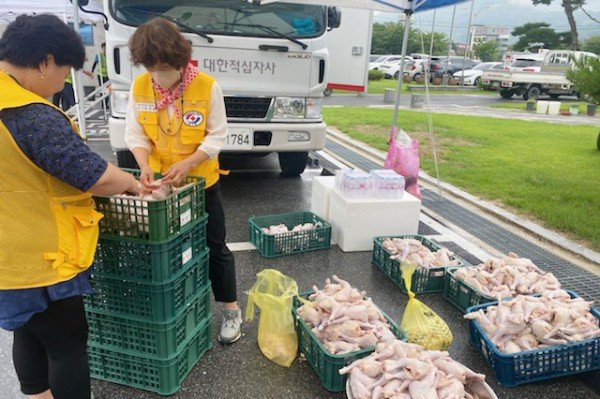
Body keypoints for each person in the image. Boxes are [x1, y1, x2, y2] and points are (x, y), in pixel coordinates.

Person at [0, 14, 142, 399]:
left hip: (7, 261)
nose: (60, 85)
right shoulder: (31, 114)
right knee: (66, 345)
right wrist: (130, 181)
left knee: (28, 330)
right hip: (42, 256)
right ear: (45, 61)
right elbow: (92, 174)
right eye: (62, 74)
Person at [126, 18, 242, 344]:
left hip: (201, 183)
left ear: (180, 59)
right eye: (152, 68)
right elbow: (135, 132)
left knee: (214, 245)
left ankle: (231, 310)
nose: (159, 75)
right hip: (161, 185)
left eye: (165, 67)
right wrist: (143, 165)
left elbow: (217, 135)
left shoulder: (206, 86)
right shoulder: (140, 87)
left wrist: (190, 162)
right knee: (168, 251)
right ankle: (179, 311)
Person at [91, 42, 109, 109]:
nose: (105, 49)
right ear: (102, 48)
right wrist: (92, 72)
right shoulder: (99, 55)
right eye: (104, 48)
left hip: (108, 75)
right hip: (100, 75)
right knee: (102, 89)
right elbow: (95, 63)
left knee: (107, 90)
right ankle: (103, 104)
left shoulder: (109, 55)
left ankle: (106, 104)